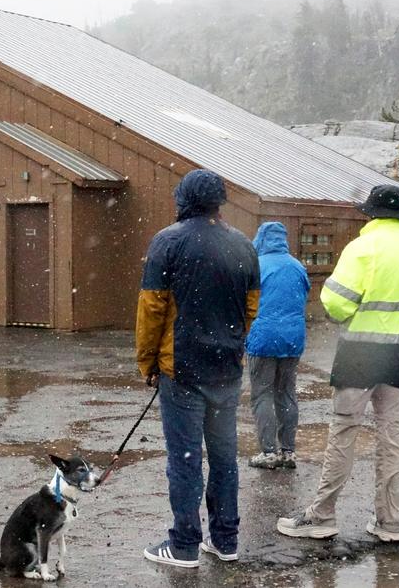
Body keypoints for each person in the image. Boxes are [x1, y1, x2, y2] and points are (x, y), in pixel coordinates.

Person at [277, 185, 399, 544]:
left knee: (344, 431)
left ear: (370, 214)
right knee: (392, 437)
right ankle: (390, 523)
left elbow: (336, 303)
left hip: (359, 354)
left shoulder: (362, 248)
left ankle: (322, 516)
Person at [136, 169, 260, 568]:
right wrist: (231, 343)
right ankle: (225, 540)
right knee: (224, 458)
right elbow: (252, 307)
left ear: (183, 199)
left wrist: (148, 362)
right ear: (219, 201)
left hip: (183, 370)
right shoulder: (243, 245)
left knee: (186, 459)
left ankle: (185, 545)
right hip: (226, 369)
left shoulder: (167, 241)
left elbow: (151, 309)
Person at [245, 222, 311, 470]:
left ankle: (268, 452)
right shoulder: (297, 266)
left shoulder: (256, 266)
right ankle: (288, 451)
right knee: (286, 392)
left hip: (263, 337)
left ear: (261, 238)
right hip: (293, 338)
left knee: (262, 394)